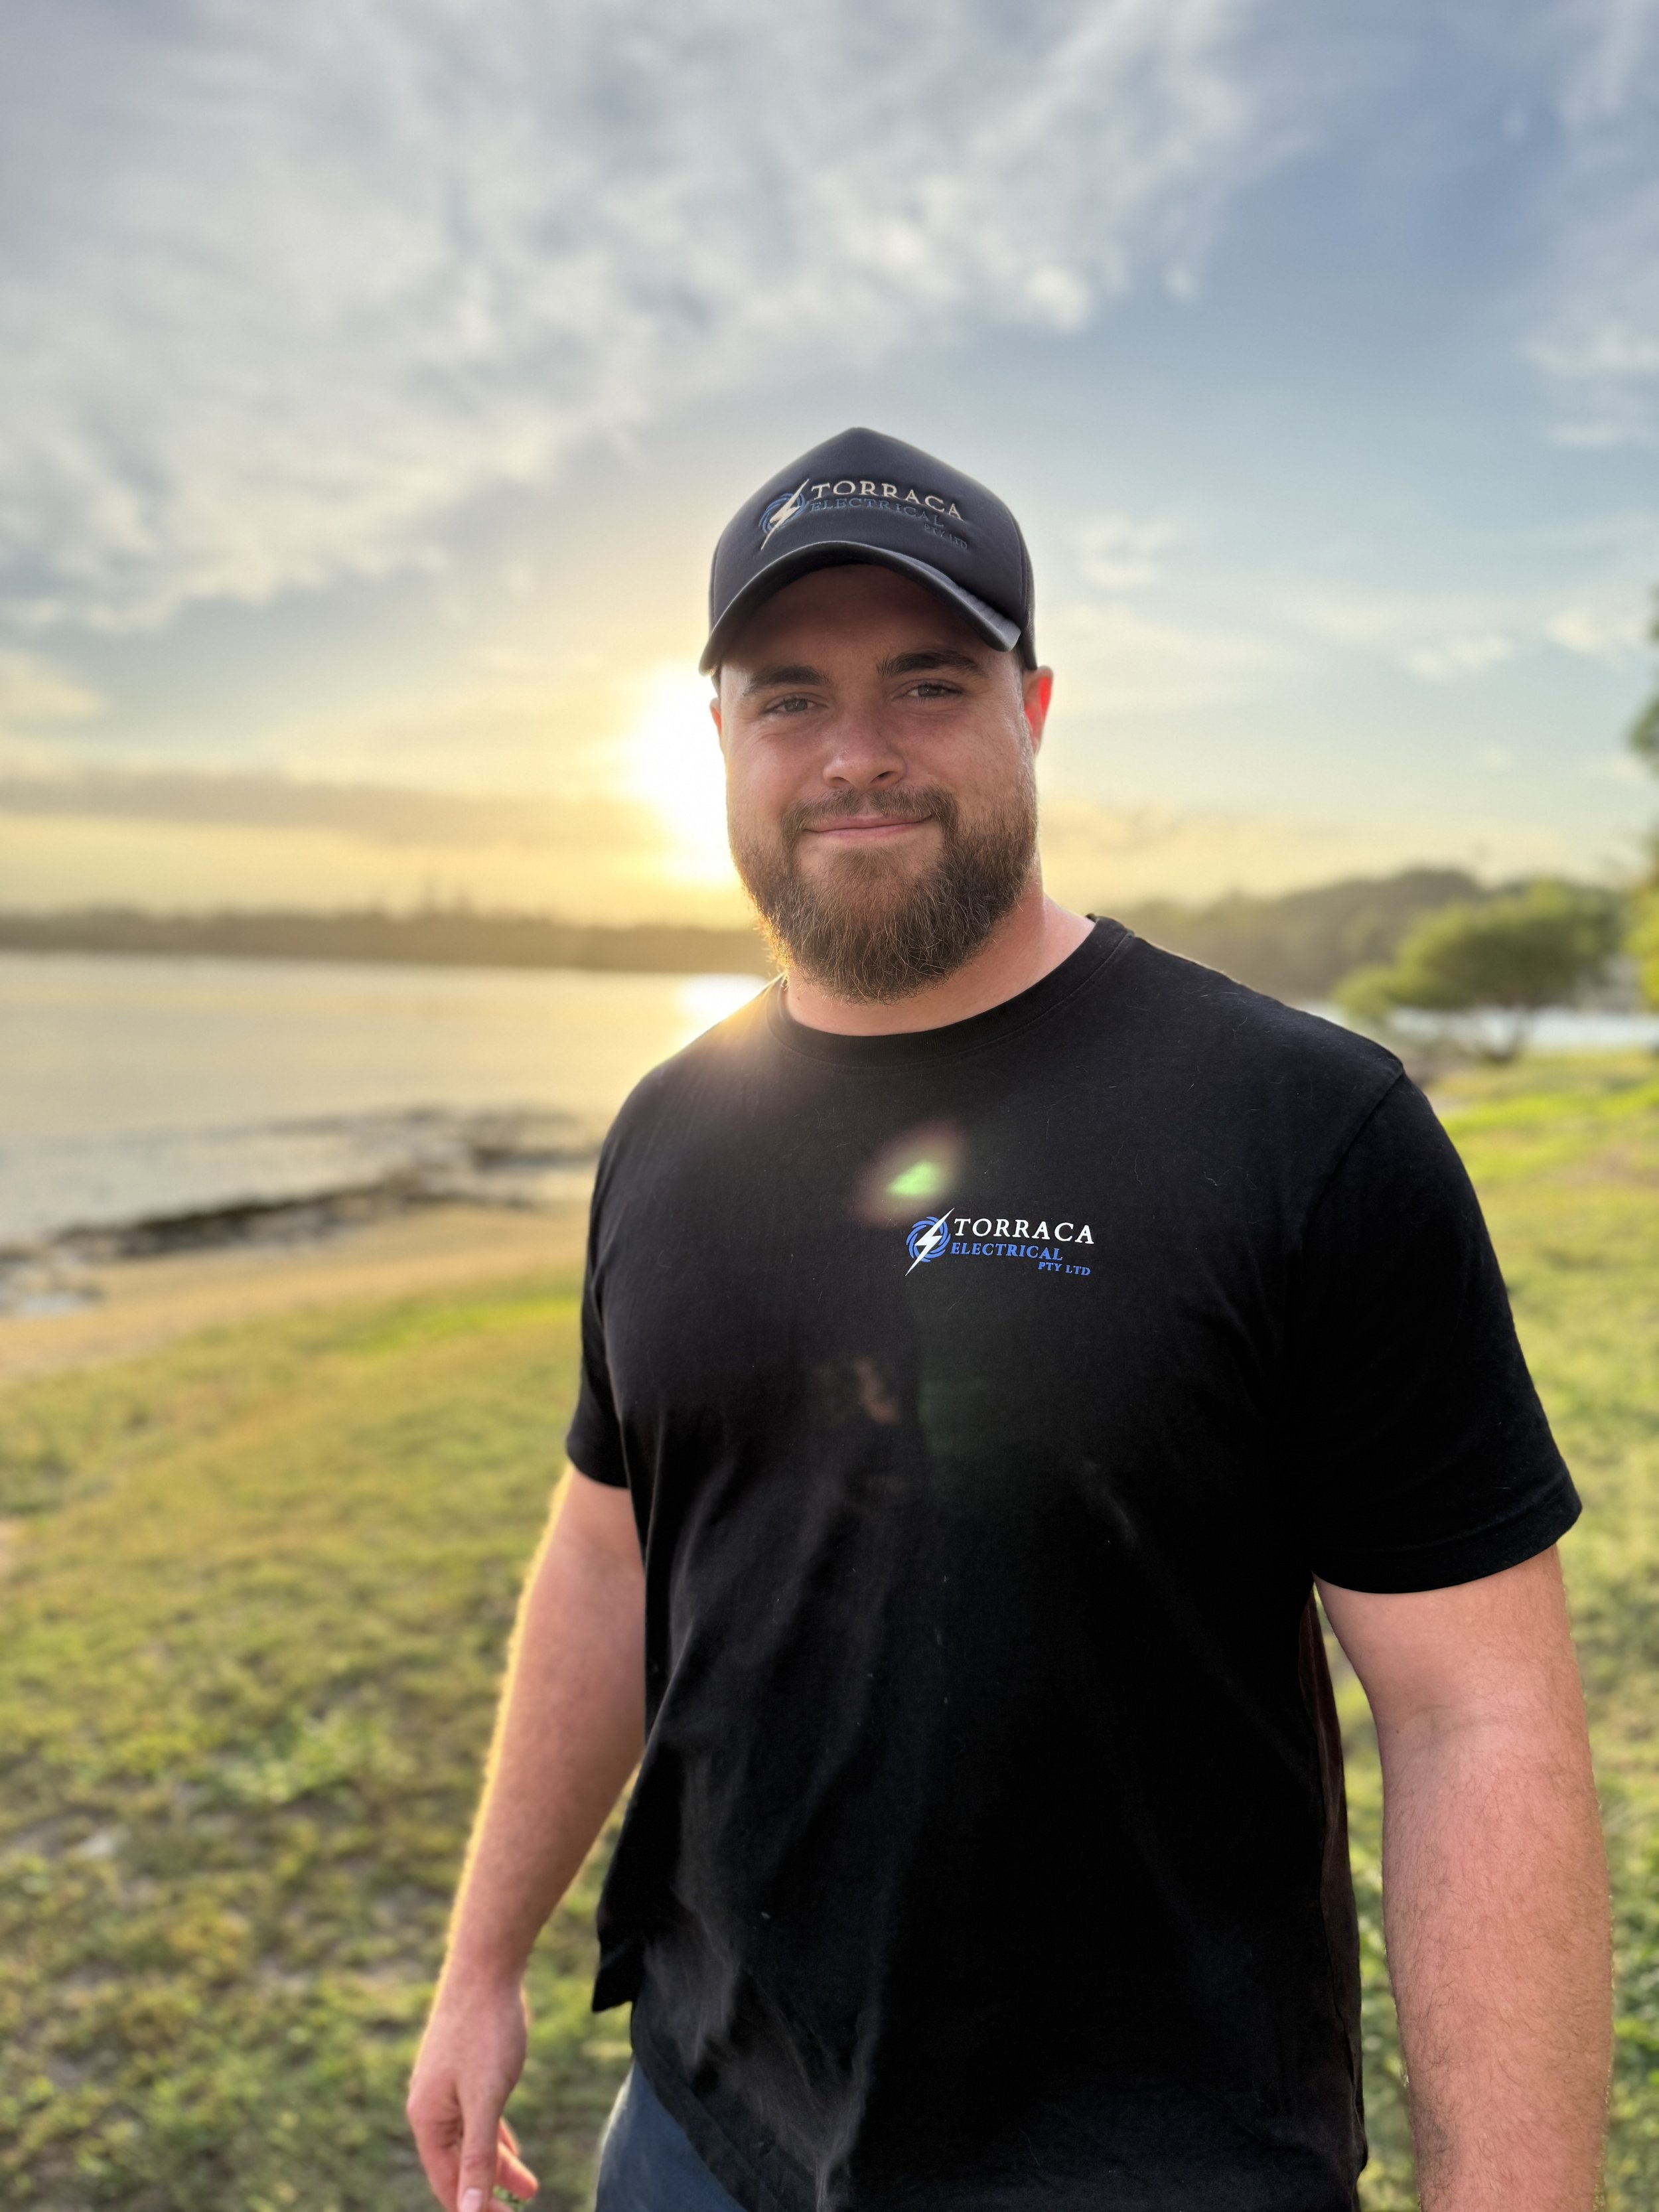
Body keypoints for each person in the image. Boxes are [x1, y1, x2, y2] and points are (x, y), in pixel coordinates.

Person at [407, 429, 1611, 2212]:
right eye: (790, 696)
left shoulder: (1298, 1127)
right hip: (701, 2130)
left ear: (1032, 709)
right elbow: (610, 1551)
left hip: (1148, 2166)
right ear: (717, 741)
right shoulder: (667, 1127)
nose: (858, 752)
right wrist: (481, 1960)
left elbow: (1474, 1723)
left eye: (927, 681)